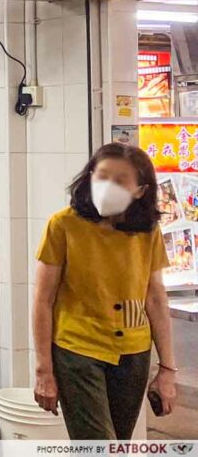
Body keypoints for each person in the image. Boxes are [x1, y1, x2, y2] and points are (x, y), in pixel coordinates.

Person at [33, 143, 177, 439]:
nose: (107, 186)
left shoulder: (148, 231)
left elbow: (155, 298)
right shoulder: (63, 225)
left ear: (140, 190)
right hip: (78, 350)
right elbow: (43, 300)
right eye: (101, 176)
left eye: (120, 180)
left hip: (134, 352)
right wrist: (44, 370)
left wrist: (167, 369)